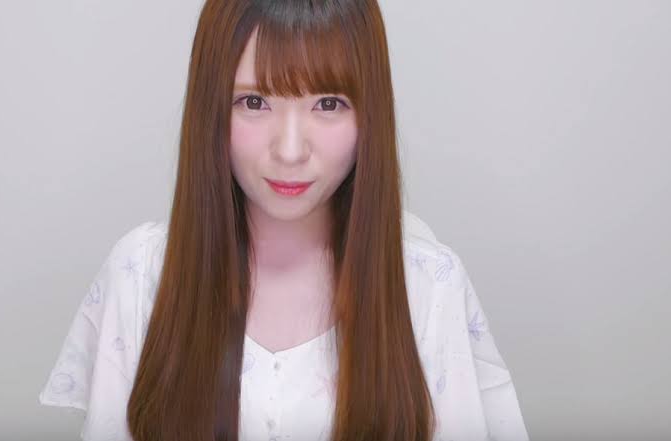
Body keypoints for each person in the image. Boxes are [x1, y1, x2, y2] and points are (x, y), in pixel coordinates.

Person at [38, 1, 530, 440]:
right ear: (211, 109)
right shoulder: (142, 275)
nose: (290, 151)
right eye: (254, 102)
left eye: (328, 104)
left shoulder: (427, 287)